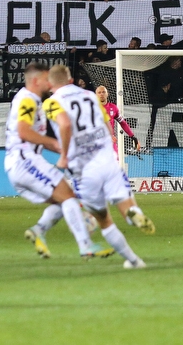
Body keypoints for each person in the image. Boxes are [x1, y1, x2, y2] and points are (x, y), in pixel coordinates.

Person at [44, 65, 155, 270]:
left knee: (104, 220)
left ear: (50, 84)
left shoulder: (51, 103)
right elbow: (106, 122)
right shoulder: (89, 96)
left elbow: (65, 125)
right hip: (107, 159)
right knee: (125, 202)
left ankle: (134, 260)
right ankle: (133, 212)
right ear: (70, 80)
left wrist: (63, 156)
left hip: (83, 169)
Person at [5, 62, 112, 260]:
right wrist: (54, 143)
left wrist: (55, 146)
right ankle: (86, 247)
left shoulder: (31, 100)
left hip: (20, 163)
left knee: (63, 200)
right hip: (24, 161)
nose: (49, 83)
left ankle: (38, 230)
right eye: (46, 79)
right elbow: (23, 132)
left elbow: (27, 134)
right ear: (36, 81)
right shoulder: (28, 100)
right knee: (69, 197)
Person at [95, 85, 141, 156]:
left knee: (115, 162)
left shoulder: (113, 108)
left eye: (103, 92)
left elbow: (122, 122)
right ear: (96, 95)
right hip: (96, 142)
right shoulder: (92, 108)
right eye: (99, 92)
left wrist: (133, 136)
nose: (101, 94)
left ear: (107, 94)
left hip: (111, 142)